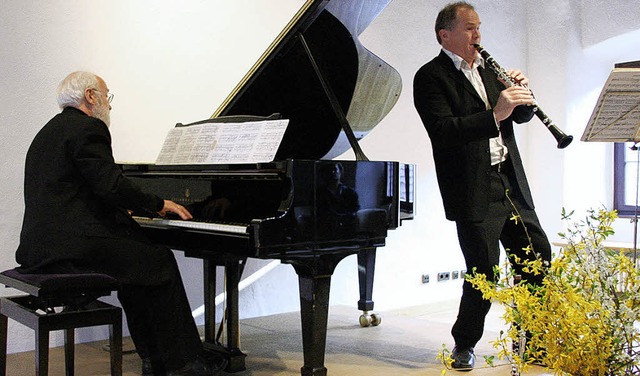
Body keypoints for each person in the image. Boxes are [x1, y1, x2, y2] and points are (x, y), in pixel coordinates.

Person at [15, 71, 226, 376]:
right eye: (107, 96)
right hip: (70, 247)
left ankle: (155, 360)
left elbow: (76, 190)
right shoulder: (89, 128)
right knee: (158, 260)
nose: (109, 106)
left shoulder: (49, 131)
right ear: (90, 96)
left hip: (42, 246)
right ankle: (185, 364)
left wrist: (118, 213)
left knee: (136, 265)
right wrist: (159, 203)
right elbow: (111, 185)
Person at [413, 2, 552, 370]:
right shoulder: (431, 77)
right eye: (471, 28)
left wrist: (523, 93)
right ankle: (464, 344)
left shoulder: (489, 69)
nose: (479, 35)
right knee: (483, 272)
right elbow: (443, 132)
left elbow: (519, 115)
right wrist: (496, 113)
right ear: (446, 35)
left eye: (479, 28)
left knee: (536, 257)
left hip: (509, 180)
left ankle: (533, 341)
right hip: (473, 186)